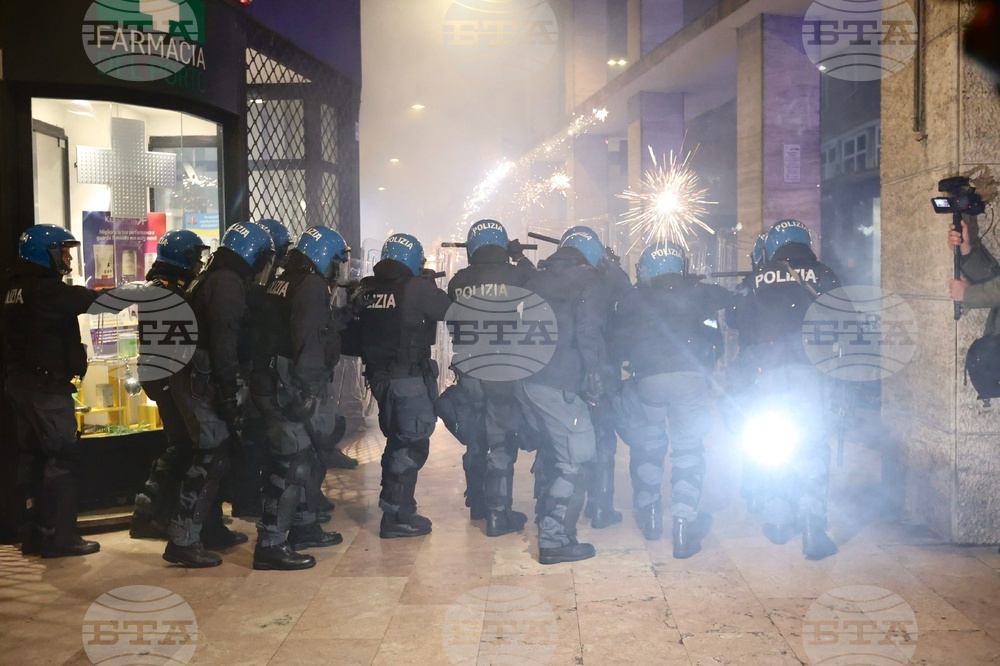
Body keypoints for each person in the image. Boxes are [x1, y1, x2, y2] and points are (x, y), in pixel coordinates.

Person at [162, 221, 274, 568]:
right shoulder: (226, 282)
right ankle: (182, 540)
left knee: (216, 456)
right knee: (210, 459)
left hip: (195, 375)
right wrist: (227, 391)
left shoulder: (217, 275)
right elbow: (224, 340)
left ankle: (207, 530)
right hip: (202, 379)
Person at [611, 242, 732, 558]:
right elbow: (723, 310)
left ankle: (650, 515)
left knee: (649, 445)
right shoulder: (698, 293)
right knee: (687, 449)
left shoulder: (633, 298)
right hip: (689, 379)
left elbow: (619, 340)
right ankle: (682, 524)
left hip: (648, 380)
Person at [735, 218, 841, 560]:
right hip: (813, 372)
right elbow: (846, 319)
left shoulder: (757, 279)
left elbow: (736, 320)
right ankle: (811, 525)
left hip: (769, 375)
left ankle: (778, 520)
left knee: (772, 444)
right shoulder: (824, 274)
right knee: (812, 446)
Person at [249, 225, 351, 570]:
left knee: (302, 458)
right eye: (336, 261)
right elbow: (309, 338)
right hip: (290, 384)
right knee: (290, 465)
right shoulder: (310, 284)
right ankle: (270, 544)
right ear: (324, 257)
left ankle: (304, 526)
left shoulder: (285, 279)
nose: (337, 269)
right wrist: (308, 389)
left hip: (273, 379)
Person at [344, 233, 451, 538]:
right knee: (411, 445)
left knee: (397, 441)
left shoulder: (368, 287)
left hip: (380, 378)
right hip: (407, 380)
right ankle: (396, 517)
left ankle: (396, 506)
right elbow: (447, 309)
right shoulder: (415, 287)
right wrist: (427, 284)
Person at [3, 224, 100, 557]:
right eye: (63, 251)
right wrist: (139, 293)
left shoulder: (16, 288)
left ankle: (34, 532)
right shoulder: (46, 289)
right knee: (62, 456)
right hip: (46, 388)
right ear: (44, 253)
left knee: (32, 458)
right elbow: (90, 300)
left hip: (21, 384)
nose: (68, 258)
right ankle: (61, 536)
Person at [515, 229, 611, 564]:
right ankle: (554, 540)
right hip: (560, 382)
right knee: (575, 461)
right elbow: (588, 332)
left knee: (555, 455)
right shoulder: (588, 282)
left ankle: (553, 526)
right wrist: (596, 380)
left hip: (527, 380)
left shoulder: (536, 278)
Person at [435, 219, 534, 536]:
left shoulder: (458, 281)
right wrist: (518, 256)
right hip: (502, 370)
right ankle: (497, 514)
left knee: (476, 437)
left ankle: (477, 503)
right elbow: (538, 283)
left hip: (469, 370)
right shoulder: (515, 275)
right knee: (501, 440)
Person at [129, 229, 209, 540]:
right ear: (183, 257)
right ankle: (148, 514)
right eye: (196, 256)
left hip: (158, 372)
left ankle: (157, 512)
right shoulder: (169, 291)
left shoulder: (160, 286)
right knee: (181, 446)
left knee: (180, 444)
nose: (200, 262)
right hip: (165, 376)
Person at [559, 226, 631, 530]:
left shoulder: (561, 280)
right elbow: (628, 304)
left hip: (568, 371)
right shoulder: (608, 280)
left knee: (567, 441)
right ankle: (601, 506)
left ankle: (561, 506)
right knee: (603, 440)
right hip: (603, 368)